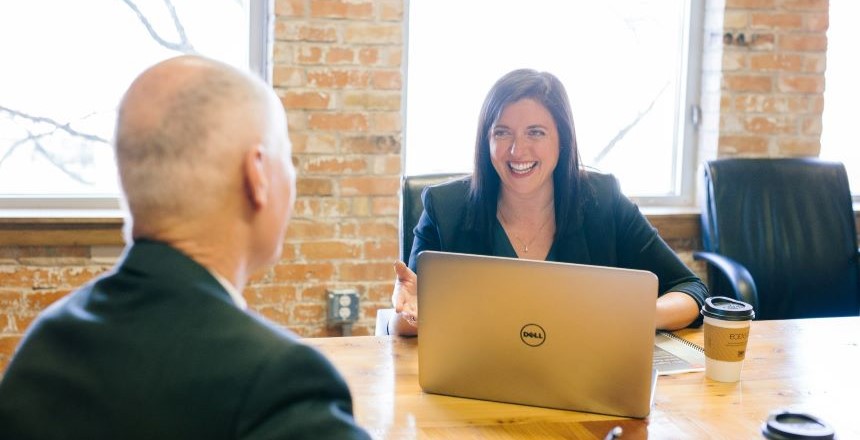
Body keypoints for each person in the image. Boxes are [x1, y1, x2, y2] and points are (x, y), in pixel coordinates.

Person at [0, 56, 370, 439]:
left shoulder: (46, 340)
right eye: (288, 157)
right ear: (257, 174)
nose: (292, 176)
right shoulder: (276, 380)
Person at [389, 69, 707, 336]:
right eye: (502, 133)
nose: (517, 150)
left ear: (562, 139)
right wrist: (410, 311)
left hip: (584, 384)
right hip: (476, 389)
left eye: (536, 133)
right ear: (486, 141)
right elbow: (404, 321)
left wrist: (636, 317)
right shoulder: (445, 208)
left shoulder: (603, 201)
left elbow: (690, 289)